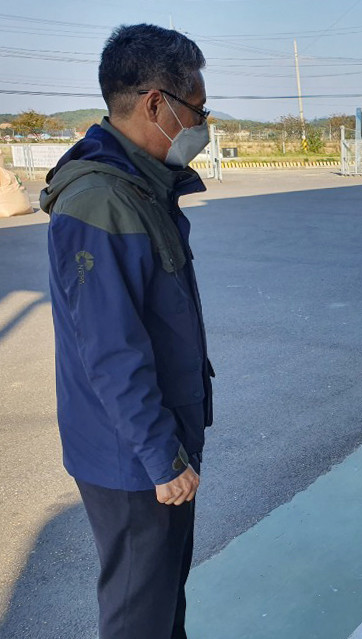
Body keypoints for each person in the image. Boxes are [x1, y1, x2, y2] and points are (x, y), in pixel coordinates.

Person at [41, 24, 214, 639]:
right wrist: (161, 457)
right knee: (139, 612)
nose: (204, 124)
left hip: (157, 439)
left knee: (164, 597)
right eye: (197, 108)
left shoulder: (141, 187)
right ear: (155, 104)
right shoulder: (99, 200)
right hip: (134, 455)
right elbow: (111, 350)